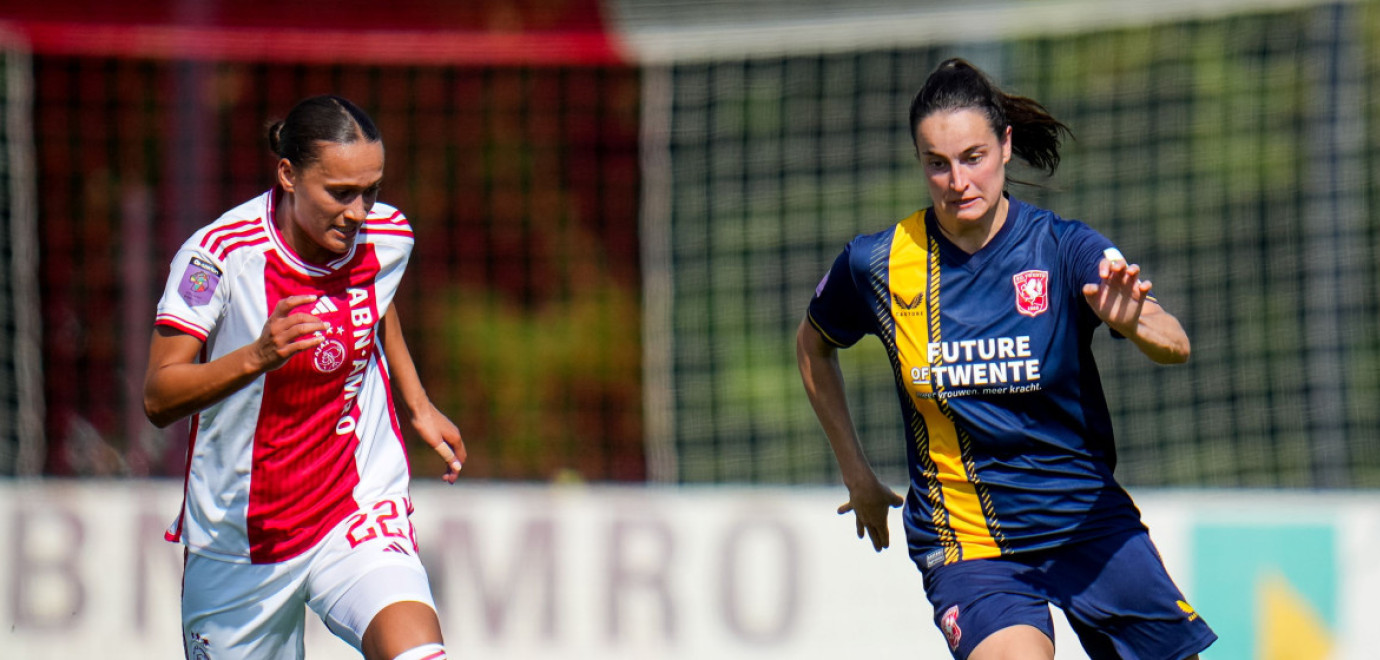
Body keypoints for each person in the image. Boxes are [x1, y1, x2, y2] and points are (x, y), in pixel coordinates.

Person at [796, 58, 1217, 660]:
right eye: (936, 164)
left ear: (1006, 147)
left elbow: (1174, 341)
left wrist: (1133, 322)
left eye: (973, 157)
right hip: (968, 541)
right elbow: (813, 346)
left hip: (1084, 521)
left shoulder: (1063, 247)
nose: (957, 181)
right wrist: (857, 473)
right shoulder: (879, 264)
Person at [144, 95, 464, 660]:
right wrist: (258, 356)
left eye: (372, 190)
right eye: (340, 193)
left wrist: (417, 403)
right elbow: (158, 395)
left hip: (354, 505)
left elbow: (378, 303)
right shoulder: (216, 257)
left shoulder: (386, 237)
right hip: (239, 539)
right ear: (288, 175)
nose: (360, 211)